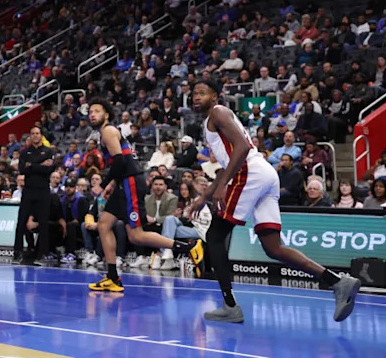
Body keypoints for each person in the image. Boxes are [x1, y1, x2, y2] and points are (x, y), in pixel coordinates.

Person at [188, 80, 360, 324]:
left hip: (249, 173)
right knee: (273, 248)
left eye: (201, 93)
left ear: (215, 96)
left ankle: (230, 306)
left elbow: (243, 147)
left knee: (215, 236)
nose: (196, 97)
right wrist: (204, 196)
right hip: (262, 175)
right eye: (193, 93)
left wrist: (225, 184)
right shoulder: (212, 120)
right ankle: (338, 281)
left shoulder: (218, 112)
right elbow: (229, 162)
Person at [86, 99, 204, 292]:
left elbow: (120, 164)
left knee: (137, 235)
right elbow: (122, 163)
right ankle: (113, 277)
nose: (92, 114)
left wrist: (105, 184)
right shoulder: (106, 133)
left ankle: (188, 247)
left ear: (106, 115)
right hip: (125, 181)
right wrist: (113, 185)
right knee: (105, 225)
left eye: (97, 111)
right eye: (90, 111)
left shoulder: (108, 131)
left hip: (130, 182)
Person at [14, 126, 56, 265]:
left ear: (41, 135)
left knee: (43, 224)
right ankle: (17, 253)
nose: (35, 136)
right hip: (28, 191)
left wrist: (31, 165)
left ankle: (41, 255)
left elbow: (49, 169)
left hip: (43, 191)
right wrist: (39, 165)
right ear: (30, 136)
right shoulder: (25, 152)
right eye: (32, 134)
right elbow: (22, 169)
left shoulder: (48, 151)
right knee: (21, 223)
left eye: (37, 133)